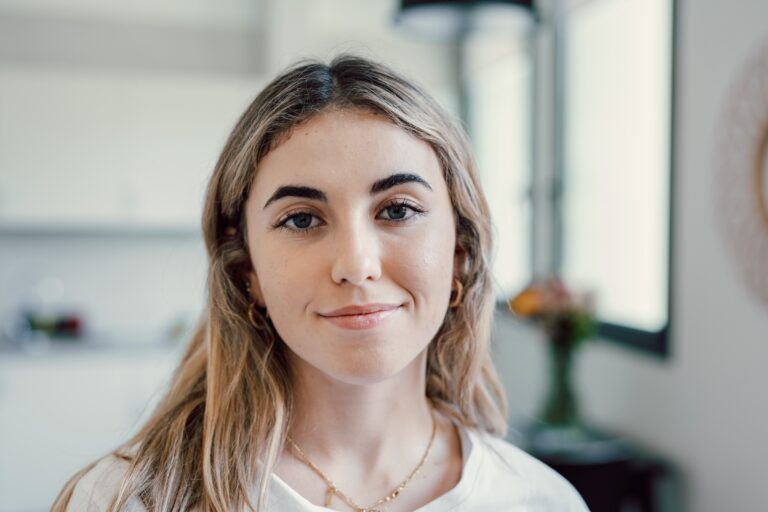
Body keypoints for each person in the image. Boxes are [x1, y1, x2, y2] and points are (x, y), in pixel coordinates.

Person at [53, 54, 589, 512]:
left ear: (459, 255)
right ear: (248, 273)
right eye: (303, 219)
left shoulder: (539, 501)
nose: (356, 264)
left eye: (398, 210)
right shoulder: (128, 499)